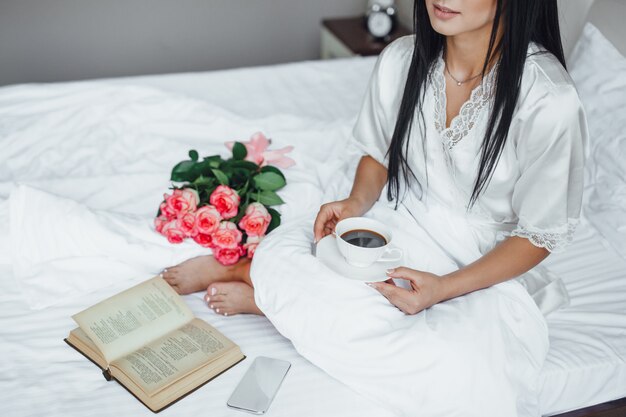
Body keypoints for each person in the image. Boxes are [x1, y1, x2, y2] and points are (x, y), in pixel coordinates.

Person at [163, 0, 587, 414]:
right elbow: (378, 154)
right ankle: (258, 278)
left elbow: (538, 235)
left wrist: (443, 288)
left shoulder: (548, 99)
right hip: (398, 224)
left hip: (482, 265)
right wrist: (355, 202)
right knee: (280, 257)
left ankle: (270, 302)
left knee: (463, 375)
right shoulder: (402, 58)